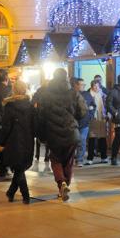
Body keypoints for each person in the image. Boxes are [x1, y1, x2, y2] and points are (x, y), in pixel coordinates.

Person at [36, 69, 86, 201]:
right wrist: (74, 121)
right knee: (68, 161)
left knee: (56, 159)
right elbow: (83, 112)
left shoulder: (46, 94)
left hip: (53, 133)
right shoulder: (73, 93)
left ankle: (61, 183)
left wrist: (41, 134)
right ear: (67, 78)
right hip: (71, 132)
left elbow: (41, 116)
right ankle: (65, 184)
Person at [0, 79, 36, 204]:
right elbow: (35, 124)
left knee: (18, 167)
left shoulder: (10, 106)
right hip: (28, 140)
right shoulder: (30, 106)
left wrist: (1, 143)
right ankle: (11, 192)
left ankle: (26, 195)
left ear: (14, 90)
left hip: (13, 140)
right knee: (20, 167)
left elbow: (6, 126)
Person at [86, 79, 109, 164]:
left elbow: (106, 105)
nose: (96, 87)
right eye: (94, 86)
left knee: (102, 138)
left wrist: (106, 114)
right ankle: (90, 158)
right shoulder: (88, 95)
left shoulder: (103, 94)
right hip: (93, 118)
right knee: (92, 139)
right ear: (91, 86)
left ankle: (104, 157)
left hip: (101, 117)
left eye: (97, 86)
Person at [73, 78, 92, 166]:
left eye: (84, 85)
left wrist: (90, 114)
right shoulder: (71, 95)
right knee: (73, 141)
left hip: (84, 122)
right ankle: (71, 158)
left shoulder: (87, 94)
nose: (83, 86)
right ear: (76, 85)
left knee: (82, 140)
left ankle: (79, 159)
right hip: (73, 122)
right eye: (81, 84)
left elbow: (93, 105)